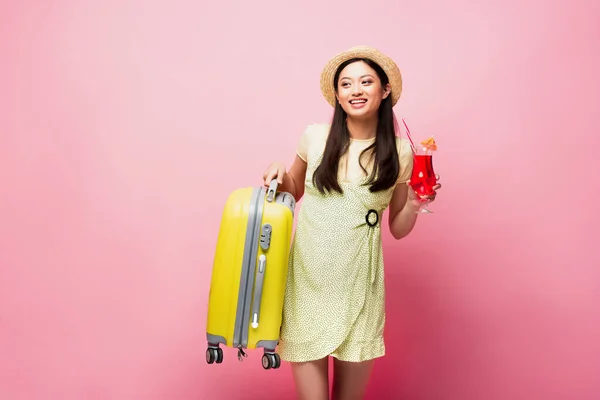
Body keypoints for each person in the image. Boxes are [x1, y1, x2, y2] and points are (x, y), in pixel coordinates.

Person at [262, 45, 442, 400]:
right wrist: (279, 174)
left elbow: (398, 228)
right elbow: (295, 189)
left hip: (361, 284)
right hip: (308, 282)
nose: (355, 90)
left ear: (385, 90)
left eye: (365, 81)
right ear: (337, 95)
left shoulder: (402, 152)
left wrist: (419, 202)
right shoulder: (315, 137)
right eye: (346, 84)